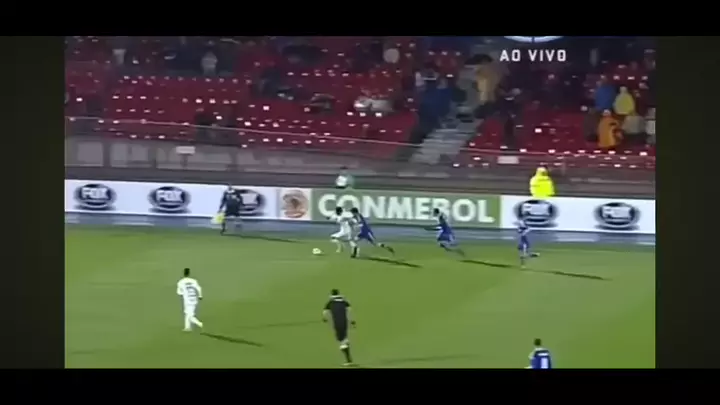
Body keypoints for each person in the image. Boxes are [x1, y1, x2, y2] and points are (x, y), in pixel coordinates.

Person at [322, 289, 356, 366]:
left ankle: (349, 360)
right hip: (344, 323)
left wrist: (325, 319)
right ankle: (347, 347)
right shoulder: (344, 302)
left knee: (341, 341)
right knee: (343, 339)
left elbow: (324, 312)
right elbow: (349, 311)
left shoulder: (330, 303)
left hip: (337, 323)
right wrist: (352, 321)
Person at [176, 268, 204, 332]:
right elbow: (199, 288)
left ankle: (201, 324)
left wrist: (184, 293)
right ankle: (187, 327)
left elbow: (179, 292)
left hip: (187, 301)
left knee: (190, 316)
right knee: (187, 313)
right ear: (189, 273)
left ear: (183, 273)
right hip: (194, 300)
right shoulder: (193, 281)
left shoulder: (181, 282)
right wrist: (200, 296)